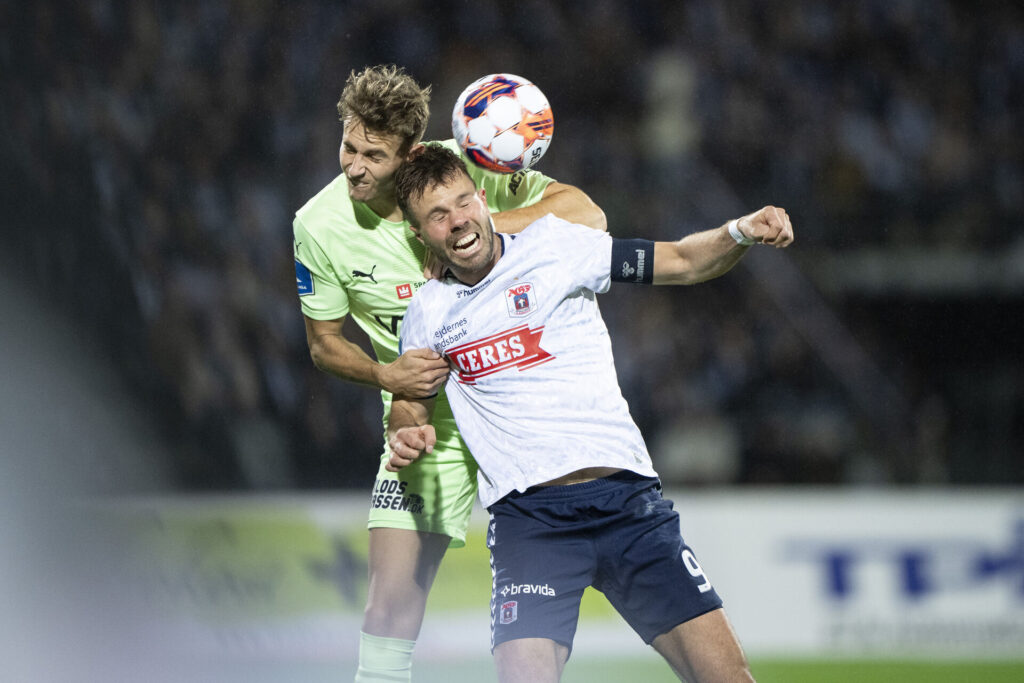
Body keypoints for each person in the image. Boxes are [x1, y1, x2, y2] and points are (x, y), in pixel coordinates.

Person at [386, 144, 794, 682]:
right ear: (421, 236)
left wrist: (739, 231)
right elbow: (408, 406)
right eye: (438, 216)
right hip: (530, 522)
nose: (458, 221)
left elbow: (683, 260)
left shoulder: (555, 246)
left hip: (627, 503)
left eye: (463, 202)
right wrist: (406, 434)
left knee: (726, 677)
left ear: (483, 200)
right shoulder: (426, 313)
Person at [292, 65, 606, 682]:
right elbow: (324, 344)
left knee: (537, 621)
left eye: (373, 156)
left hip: (516, 407)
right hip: (422, 424)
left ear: (411, 153)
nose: (353, 166)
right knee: (387, 607)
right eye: (348, 147)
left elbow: (586, 213)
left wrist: (476, 227)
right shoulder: (317, 225)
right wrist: (387, 377)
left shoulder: (460, 172)